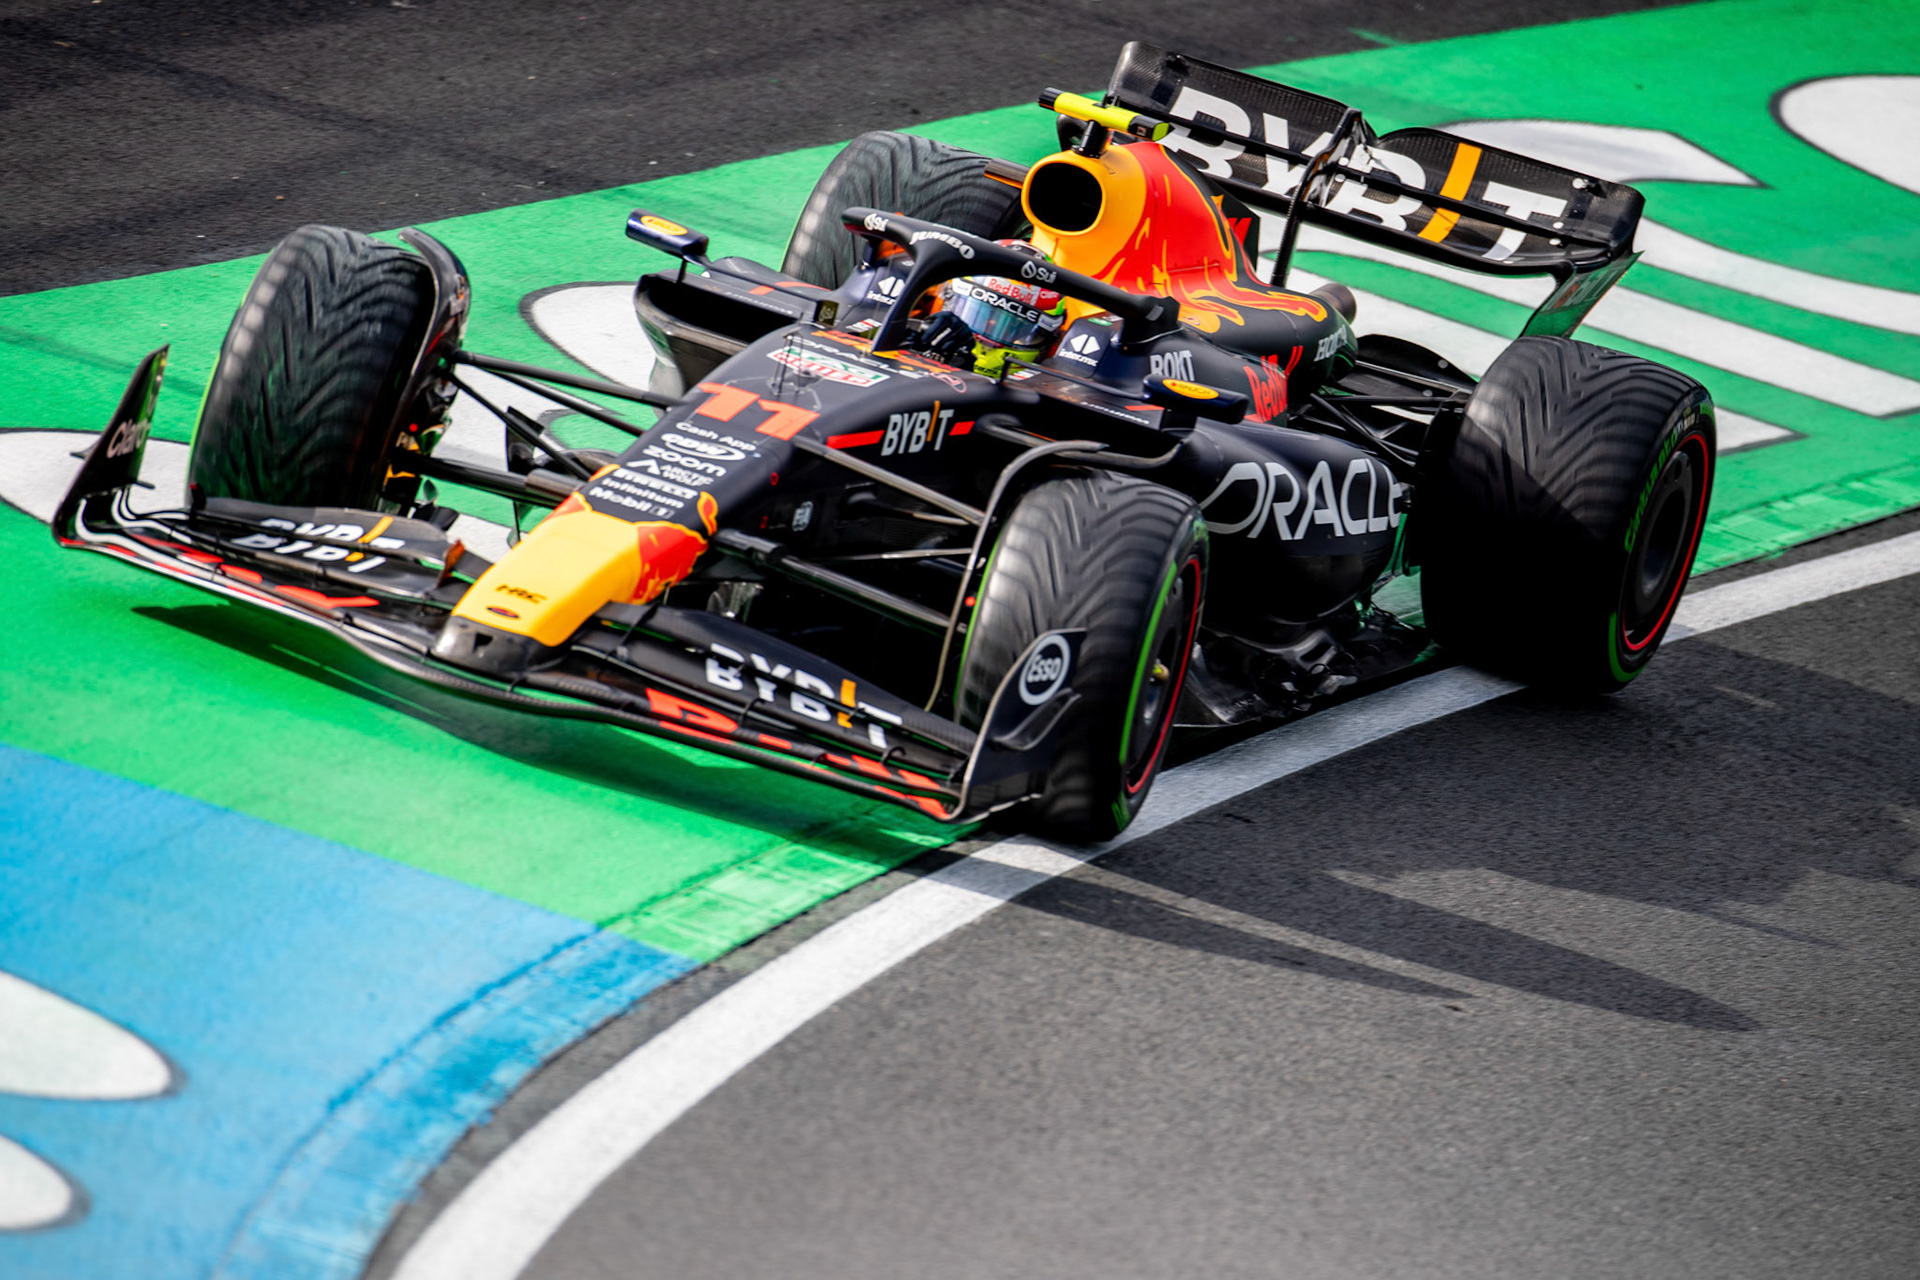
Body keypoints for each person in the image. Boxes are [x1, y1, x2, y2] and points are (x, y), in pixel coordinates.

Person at [911, 240, 1068, 376]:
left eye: (1014, 326)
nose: (990, 326)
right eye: (978, 314)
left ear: (1048, 337)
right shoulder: (911, 340)